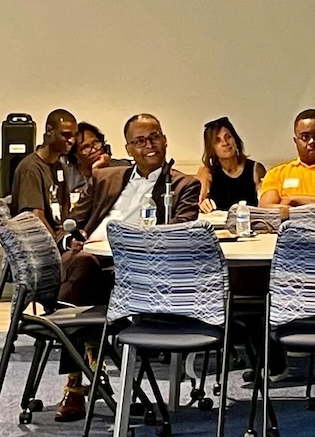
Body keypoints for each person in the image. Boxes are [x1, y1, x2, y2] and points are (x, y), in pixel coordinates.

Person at [53, 113, 201, 421]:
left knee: (78, 274)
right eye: (140, 140)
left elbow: (180, 232)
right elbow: (69, 226)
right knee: (78, 262)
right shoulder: (105, 177)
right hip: (92, 260)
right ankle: (89, 352)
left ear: (165, 139)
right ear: (128, 148)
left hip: (137, 270)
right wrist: (71, 241)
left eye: (155, 137)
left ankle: (77, 381)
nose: (150, 145)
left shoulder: (184, 185)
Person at [10, 109, 76, 235]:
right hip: (42, 244)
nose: (71, 141)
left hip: (61, 237)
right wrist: (58, 246)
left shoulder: (59, 166)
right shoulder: (30, 168)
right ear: (49, 131)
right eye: (66, 135)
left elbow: (65, 214)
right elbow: (35, 219)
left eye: (74, 135)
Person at [197, 117, 266, 212]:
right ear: (211, 148)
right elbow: (201, 198)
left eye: (228, 137)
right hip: (218, 225)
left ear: (236, 140)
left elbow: (264, 205)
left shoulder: (255, 169)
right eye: (218, 140)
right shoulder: (208, 172)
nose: (225, 143)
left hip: (249, 223)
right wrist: (203, 201)